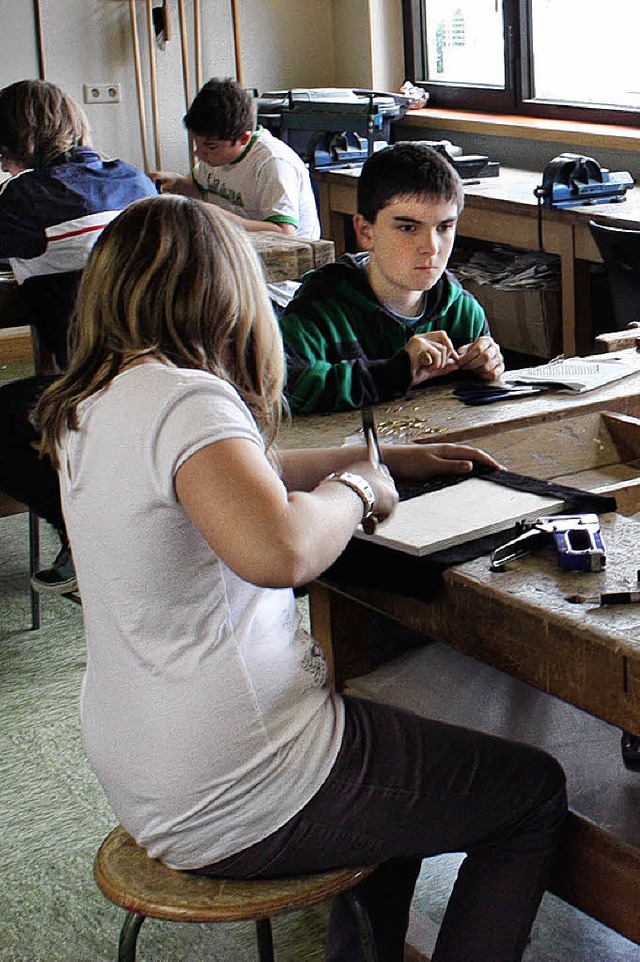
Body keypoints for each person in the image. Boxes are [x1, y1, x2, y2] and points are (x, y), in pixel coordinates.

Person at [36, 194, 566, 962]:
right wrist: (357, 491)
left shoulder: (100, 396)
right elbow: (281, 550)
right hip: (238, 782)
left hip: (147, 761)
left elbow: (239, 476)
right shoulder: (186, 397)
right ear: (222, 293)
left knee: (405, 769)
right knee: (529, 796)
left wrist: (383, 459)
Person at [0, 79, 157, 593]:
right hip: (170, 372)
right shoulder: (135, 181)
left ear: (14, 142)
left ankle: (81, 528)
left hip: (99, 381)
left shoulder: (25, 197)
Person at [279, 141, 505, 414]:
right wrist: (397, 371)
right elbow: (284, 390)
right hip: (350, 454)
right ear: (366, 232)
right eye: (408, 227)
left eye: (444, 227)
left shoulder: (463, 311)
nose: (432, 247)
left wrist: (486, 364)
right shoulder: (319, 309)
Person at [153, 76, 320, 312]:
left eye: (209, 146)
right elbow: (202, 186)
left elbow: (284, 234)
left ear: (243, 138)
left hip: (276, 286)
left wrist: (221, 218)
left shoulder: (272, 163)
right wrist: (176, 183)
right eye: (196, 143)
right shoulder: (216, 154)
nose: (199, 153)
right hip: (235, 266)